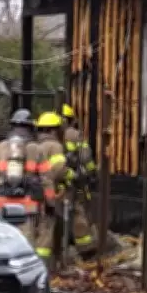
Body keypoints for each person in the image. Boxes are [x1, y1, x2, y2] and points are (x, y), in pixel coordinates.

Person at [0, 109, 42, 243]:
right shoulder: (36, 149)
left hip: (2, 205)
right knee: (25, 243)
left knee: (3, 241)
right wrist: (48, 201)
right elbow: (46, 178)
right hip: (27, 207)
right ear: (31, 127)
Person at [34, 111, 75, 269]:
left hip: (34, 193)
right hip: (52, 192)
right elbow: (58, 169)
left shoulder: (34, 145)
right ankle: (47, 267)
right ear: (53, 130)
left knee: (37, 229)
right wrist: (71, 175)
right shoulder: (55, 146)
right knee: (49, 229)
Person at [60, 104, 98, 259]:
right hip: (74, 181)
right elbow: (85, 157)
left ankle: (60, 246)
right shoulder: (75, 135)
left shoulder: (48, 136)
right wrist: (91, 173)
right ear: (71, 119)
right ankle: (85, 248)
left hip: (54, 182)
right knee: (78, 212)